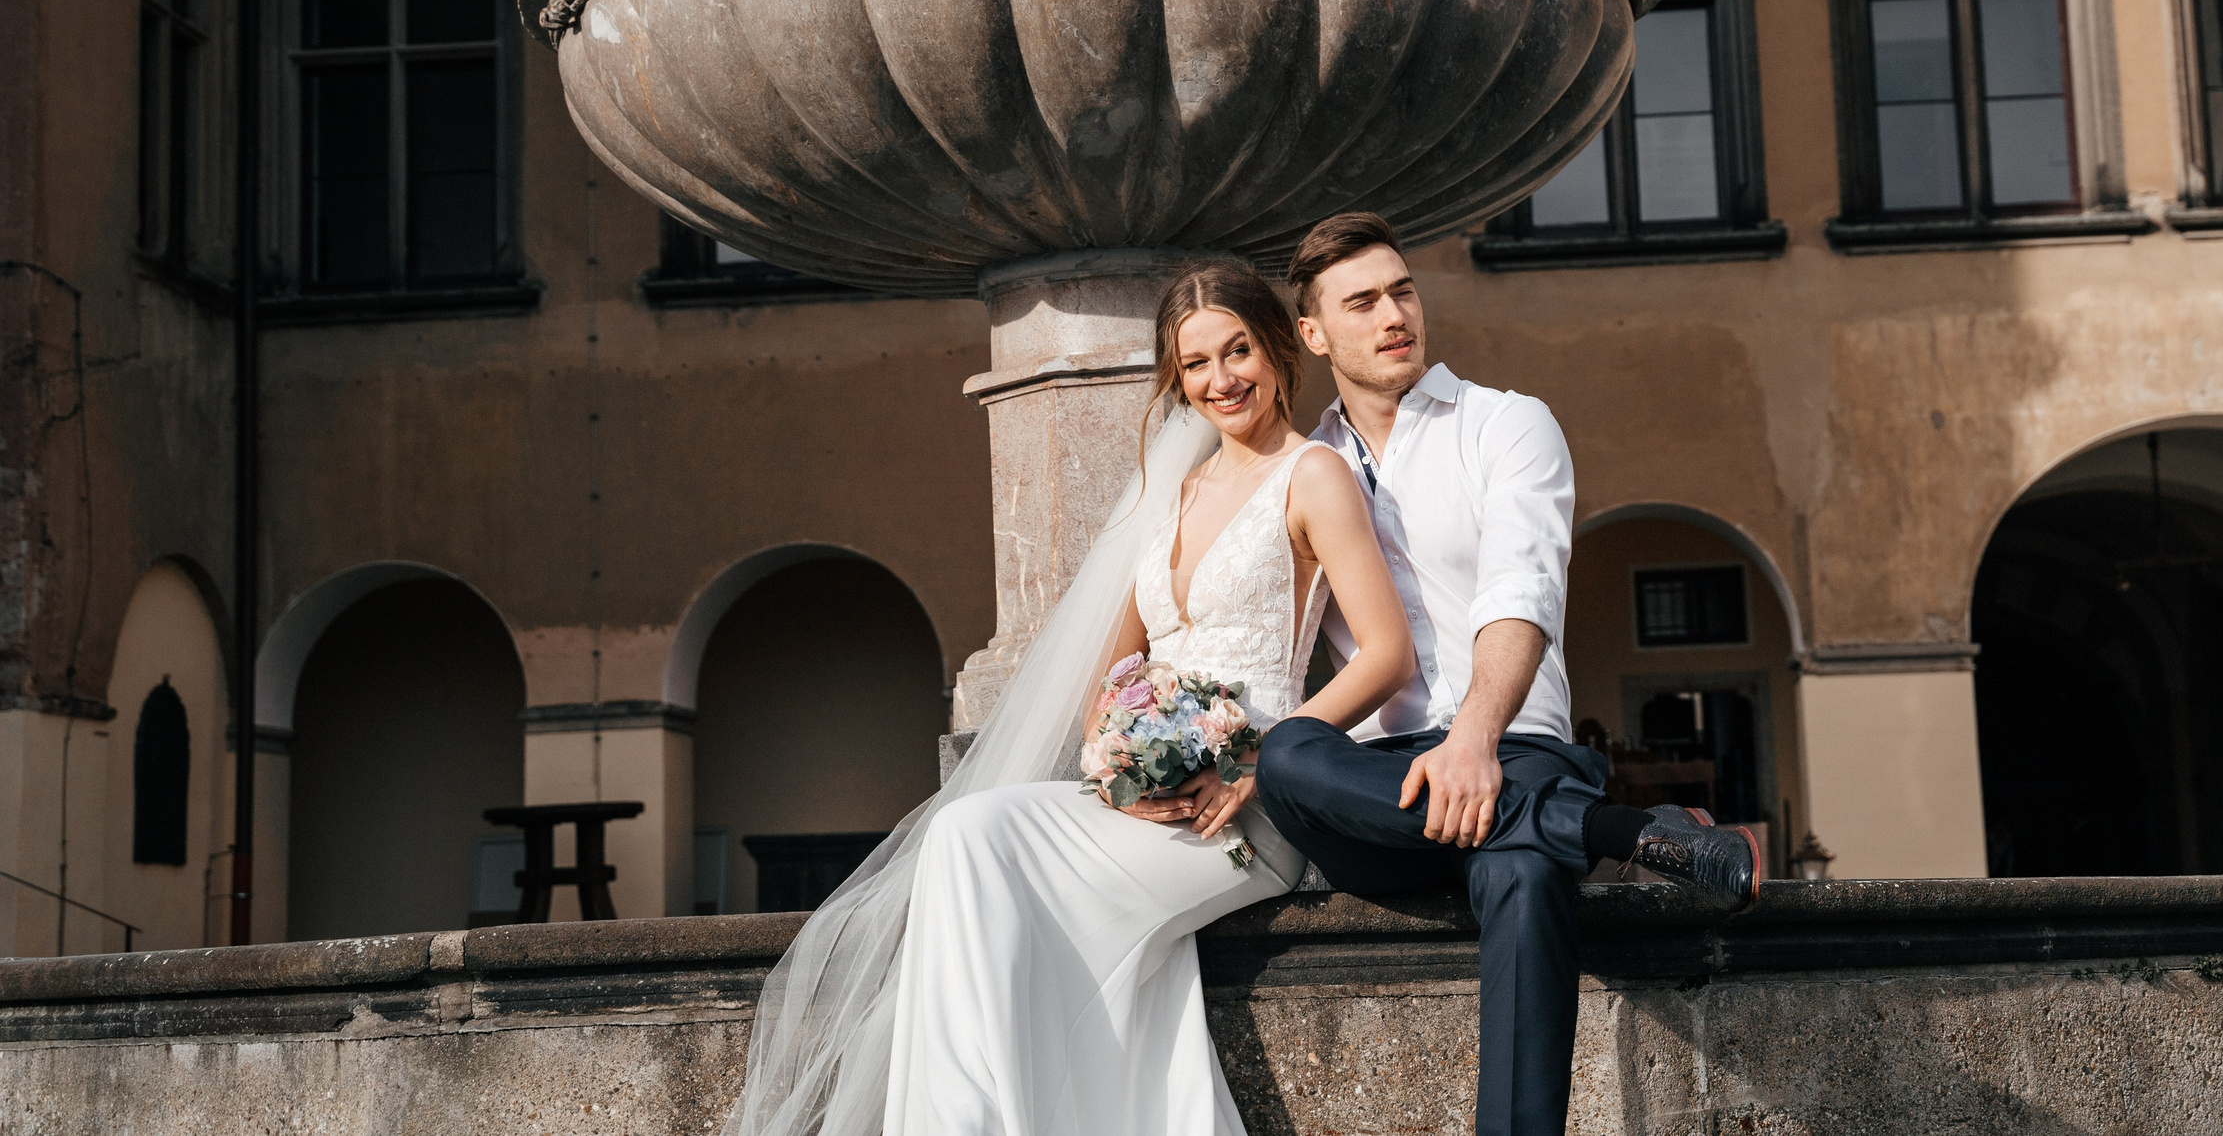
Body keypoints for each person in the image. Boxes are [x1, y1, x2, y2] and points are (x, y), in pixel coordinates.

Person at [721, 258, 1416, 1136]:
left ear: (1277, 347)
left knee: (987, 863)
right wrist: (1124, 765)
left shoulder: (1313, 474)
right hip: (1151, 802)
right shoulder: (1174, 489)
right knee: (965, 832)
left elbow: (1386, 654)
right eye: (1196, 362)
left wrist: (1259, 762)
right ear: (1177, 377)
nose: (1221, 378)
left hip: (1247, 815)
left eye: (1238, 350)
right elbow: (1113, 681)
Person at [1255, 211, 1762, 1136]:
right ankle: (1608, 827)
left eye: (1403, 291)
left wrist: (1474, 741)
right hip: (1379, 793)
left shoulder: (1506, 423)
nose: (1394, 315)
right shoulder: (1302, 467)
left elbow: (1520, 592)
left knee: (1526, 878)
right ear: (1313, 333)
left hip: (1511, 750)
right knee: (1287, 755)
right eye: (1362, 302)